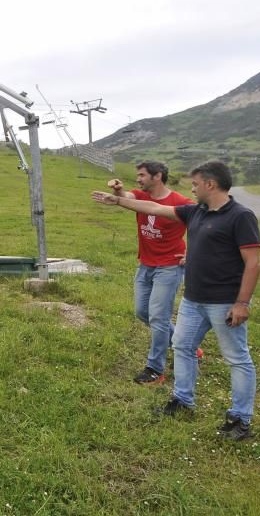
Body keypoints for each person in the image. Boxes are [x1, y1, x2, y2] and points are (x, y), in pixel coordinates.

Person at [92, 160, 260, 441]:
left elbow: (253, 263)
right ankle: (183, 400)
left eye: (195, 184)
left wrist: (242, 303)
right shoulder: (196, 212)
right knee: (182, 347)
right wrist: (119, 201)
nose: (192, 189)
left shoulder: (241, 216)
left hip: (223, 302)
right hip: (193, 300)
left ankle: (240, 419)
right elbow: (155, 208)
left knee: (237, 358)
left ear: (211, 184)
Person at [107, 161, 193, 386]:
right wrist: (118, 191)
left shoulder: (181, 202)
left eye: (142, 175)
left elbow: (200, 224)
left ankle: (156, 369)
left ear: (158, 176)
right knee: (142, 312)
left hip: (169, 267)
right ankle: (184, 343)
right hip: (145, 264)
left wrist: (192, 253)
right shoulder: (139, 195)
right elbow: (127, 196)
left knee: (158, 318)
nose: (138, 179)